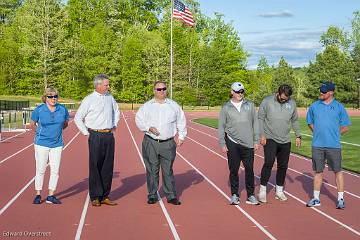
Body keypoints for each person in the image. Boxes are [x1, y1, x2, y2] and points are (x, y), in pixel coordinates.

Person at [135, 81, 187, 205]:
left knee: (168, 170)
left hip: (168, 143)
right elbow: (138, 120)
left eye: (164, 89)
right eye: (159, 89)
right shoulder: (147, 106)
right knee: (152, 169)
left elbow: (181, 121)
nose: (162, 91)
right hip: (151, 142)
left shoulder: (174, 106)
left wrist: (182, 136)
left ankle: (171, 195)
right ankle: (152, 194)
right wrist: (148, 128)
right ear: (154, 91)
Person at [74, 74, 120, 207]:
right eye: (106, 84)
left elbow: (116, 111)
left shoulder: (110, 98)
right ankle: (95, 196)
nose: (108, 86)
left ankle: (105, 195)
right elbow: (78, 117)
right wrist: (86, 133)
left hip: (108, 135)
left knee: (108, 166)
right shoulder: (89, 99)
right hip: (95, 135)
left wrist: (114, 124)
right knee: (95, 166)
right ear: (98, 85)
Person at [306, 82, 351, 209]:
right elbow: (310, 123)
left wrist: (335, 135)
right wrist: (318, 133)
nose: (321, 92)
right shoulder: (314, 106)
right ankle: (316, 199)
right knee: (318, 171)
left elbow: (345, 127)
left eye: (324, 91)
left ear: (331, 93)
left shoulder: (339, 107)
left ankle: (341, 199)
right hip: (317, 145)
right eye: (320, 90)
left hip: (334, 146)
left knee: (337, 171)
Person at [257, 84, 301, 203]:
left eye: (286, 99)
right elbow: (260, 118)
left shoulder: (292, 103)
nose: (283, 100)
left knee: (283, 165)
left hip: (285, 139)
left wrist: (298, 135)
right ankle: (262, 190)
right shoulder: (267, 101)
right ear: (278, 92)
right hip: (270, 137)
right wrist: (261, 134)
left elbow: (295, 120)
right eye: (282, 98)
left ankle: (279, 191)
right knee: (269, 162)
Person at [218, 82, 260, 205]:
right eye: (237, 91)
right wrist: (222, 143)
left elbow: (255, 123)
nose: (240, 94)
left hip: (248, 143)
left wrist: (256, 140)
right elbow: (221, 126)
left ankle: (250, 195)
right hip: (232, 142)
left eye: (242, 91)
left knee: (249, 170)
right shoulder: (226, 107)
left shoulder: (250, 105)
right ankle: (235, 194)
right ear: (232, 92)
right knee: (234, 170)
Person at [31, 87, 69, 204]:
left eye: (55, 96)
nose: (53, 99)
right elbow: (32, 124)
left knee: (55, 170)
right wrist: (39, 133)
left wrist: (56, 132)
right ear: (45, 98)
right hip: (41, 144)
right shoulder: (39, 110)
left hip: (57, 144)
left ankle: (50, 195)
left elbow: (65, 123)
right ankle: (38, 194)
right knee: (41, 169)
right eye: (50, 96)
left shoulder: (62, 109)